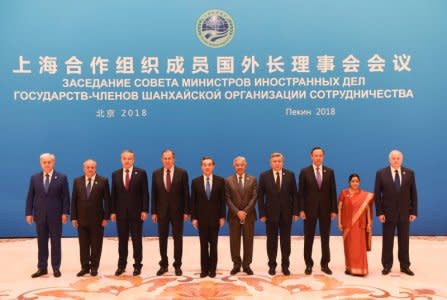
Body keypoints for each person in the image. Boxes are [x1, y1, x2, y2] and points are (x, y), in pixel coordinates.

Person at [25, 153, 70, 278]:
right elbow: (30, 197)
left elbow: (66, 197)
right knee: (42, 243)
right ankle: (42, 268)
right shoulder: (34, 178)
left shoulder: (61, 177)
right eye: (44, 162)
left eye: (49, 162)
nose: (47, 164)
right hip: (40, 216)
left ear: (53, 163)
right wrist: (29, 213)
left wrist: (65, 213)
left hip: (56, 216)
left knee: (56, 243)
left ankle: (56, 268)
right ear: (41, 163)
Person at [374, 150, 418, 276]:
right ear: (389, 159)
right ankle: (387, 265)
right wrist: (380, 212)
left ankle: (405, 266)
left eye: (398, 158)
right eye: (393, 158)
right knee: (387, 241)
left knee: (404, 241)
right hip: (387, 214)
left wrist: (413, 211)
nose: (396, 160)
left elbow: (413, 193)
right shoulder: (381, 173)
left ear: (402, 159)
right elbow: (377, 194)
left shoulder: (409, 173)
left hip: (405, 213)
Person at [258, 152, 299, 276]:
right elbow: (260, 197)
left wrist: (295, 212)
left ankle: (285, 266)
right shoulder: (264, 176)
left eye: (279, 161)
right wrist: (262, 214)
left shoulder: (290, 175)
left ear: (282, 162)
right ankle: (272, 265)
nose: (277, 163)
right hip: (270, 215)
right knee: (271, 241)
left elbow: (295, 195)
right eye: (274, 161)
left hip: (286, 214)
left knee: (286, 241)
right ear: (271, 163)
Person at [298, 146, 337, 275]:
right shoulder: (304, 172)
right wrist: (301, 210)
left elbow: (333, 192)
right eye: (316, 155)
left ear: (323, 157)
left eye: (320, 155)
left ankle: (325, 264)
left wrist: (334, 210)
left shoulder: (330, 172)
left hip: (326, 211)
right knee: (308, 238)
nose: (318, 157)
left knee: (325, 238)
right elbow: (301, 193)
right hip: (309, 211)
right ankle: (308, 264)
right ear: (311, 156)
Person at [151, 149, 190, 276]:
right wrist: (154, 212)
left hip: (178, 212)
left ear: (174, 159)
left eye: (169, 158)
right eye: (165, 158)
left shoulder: (182, 173)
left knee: (178, 239)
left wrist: (186, 211)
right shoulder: (156, 173)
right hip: (161, 212)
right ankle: (164, 265)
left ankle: (177, 265)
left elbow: (186, 194)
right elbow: (154, 194)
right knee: (162, 239)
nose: (167, 161)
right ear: (162, 159)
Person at [111, 150, 149, 276]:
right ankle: (121, 265)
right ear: (121, 160)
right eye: (124, 158)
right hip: (121, 214)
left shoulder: (141, 173)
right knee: (122, 241)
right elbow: (114, 195)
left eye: (129, 158)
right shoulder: (115, 174)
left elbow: (145, 193)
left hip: (137, 213)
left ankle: (137, 266)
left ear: (133, 160)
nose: (127, 161)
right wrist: (113, 211)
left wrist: (144, 210)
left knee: (137, 240)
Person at [71, 159, 111, 277]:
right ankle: (84, 267)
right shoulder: (77, 181)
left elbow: (107, 201)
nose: (90, 169)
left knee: (96, 245)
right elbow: (74, 200)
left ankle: (94, 267)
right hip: (81, 220)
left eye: (92, 167)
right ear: (84, 168)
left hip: (98, 220)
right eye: (87, 167)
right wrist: (74, 217)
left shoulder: (103, 181)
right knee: (83, 245)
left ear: (95, 168)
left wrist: (106, 217)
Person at [191, 156, 226, 278]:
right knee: (203, 246)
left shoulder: (220, 181)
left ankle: (212, 269)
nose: (207, 167)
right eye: (205, 164)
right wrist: (194, 218)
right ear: (201, 167)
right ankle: (204, 269)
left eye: (209, 164)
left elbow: (223, 201)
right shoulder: (195, 182)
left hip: (215, 219)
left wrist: (222, 216)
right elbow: (193, 202)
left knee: (214, 245)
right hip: (201, 220)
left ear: (213, 166)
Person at [225, 156, 257, 276]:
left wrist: (245, 211)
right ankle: (236, 265)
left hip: (249, 216)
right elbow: (227, 198)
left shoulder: (253, 179)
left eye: (242, 165)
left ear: (245, 165)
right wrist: (237, 212)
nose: (240, 167)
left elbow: (254, 197)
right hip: (234, 216)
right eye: (237, 165)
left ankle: (247, 265)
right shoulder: (228, 180)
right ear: (234, 166)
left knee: (248, 241)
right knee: (235, 241)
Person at [338, 174, 373, 276]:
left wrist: (369, 223)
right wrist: (339, 222)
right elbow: (339, 208)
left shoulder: (364, 195)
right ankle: (349, 268)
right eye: (353, 181)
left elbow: (367, 210)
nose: (355, 183)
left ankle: (361, 269)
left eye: (357, 181)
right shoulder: (344, 193)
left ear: (359, 182)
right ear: (349, 182)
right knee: (348, 247)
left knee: (359, 248)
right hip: (347, 225)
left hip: (360, 226)